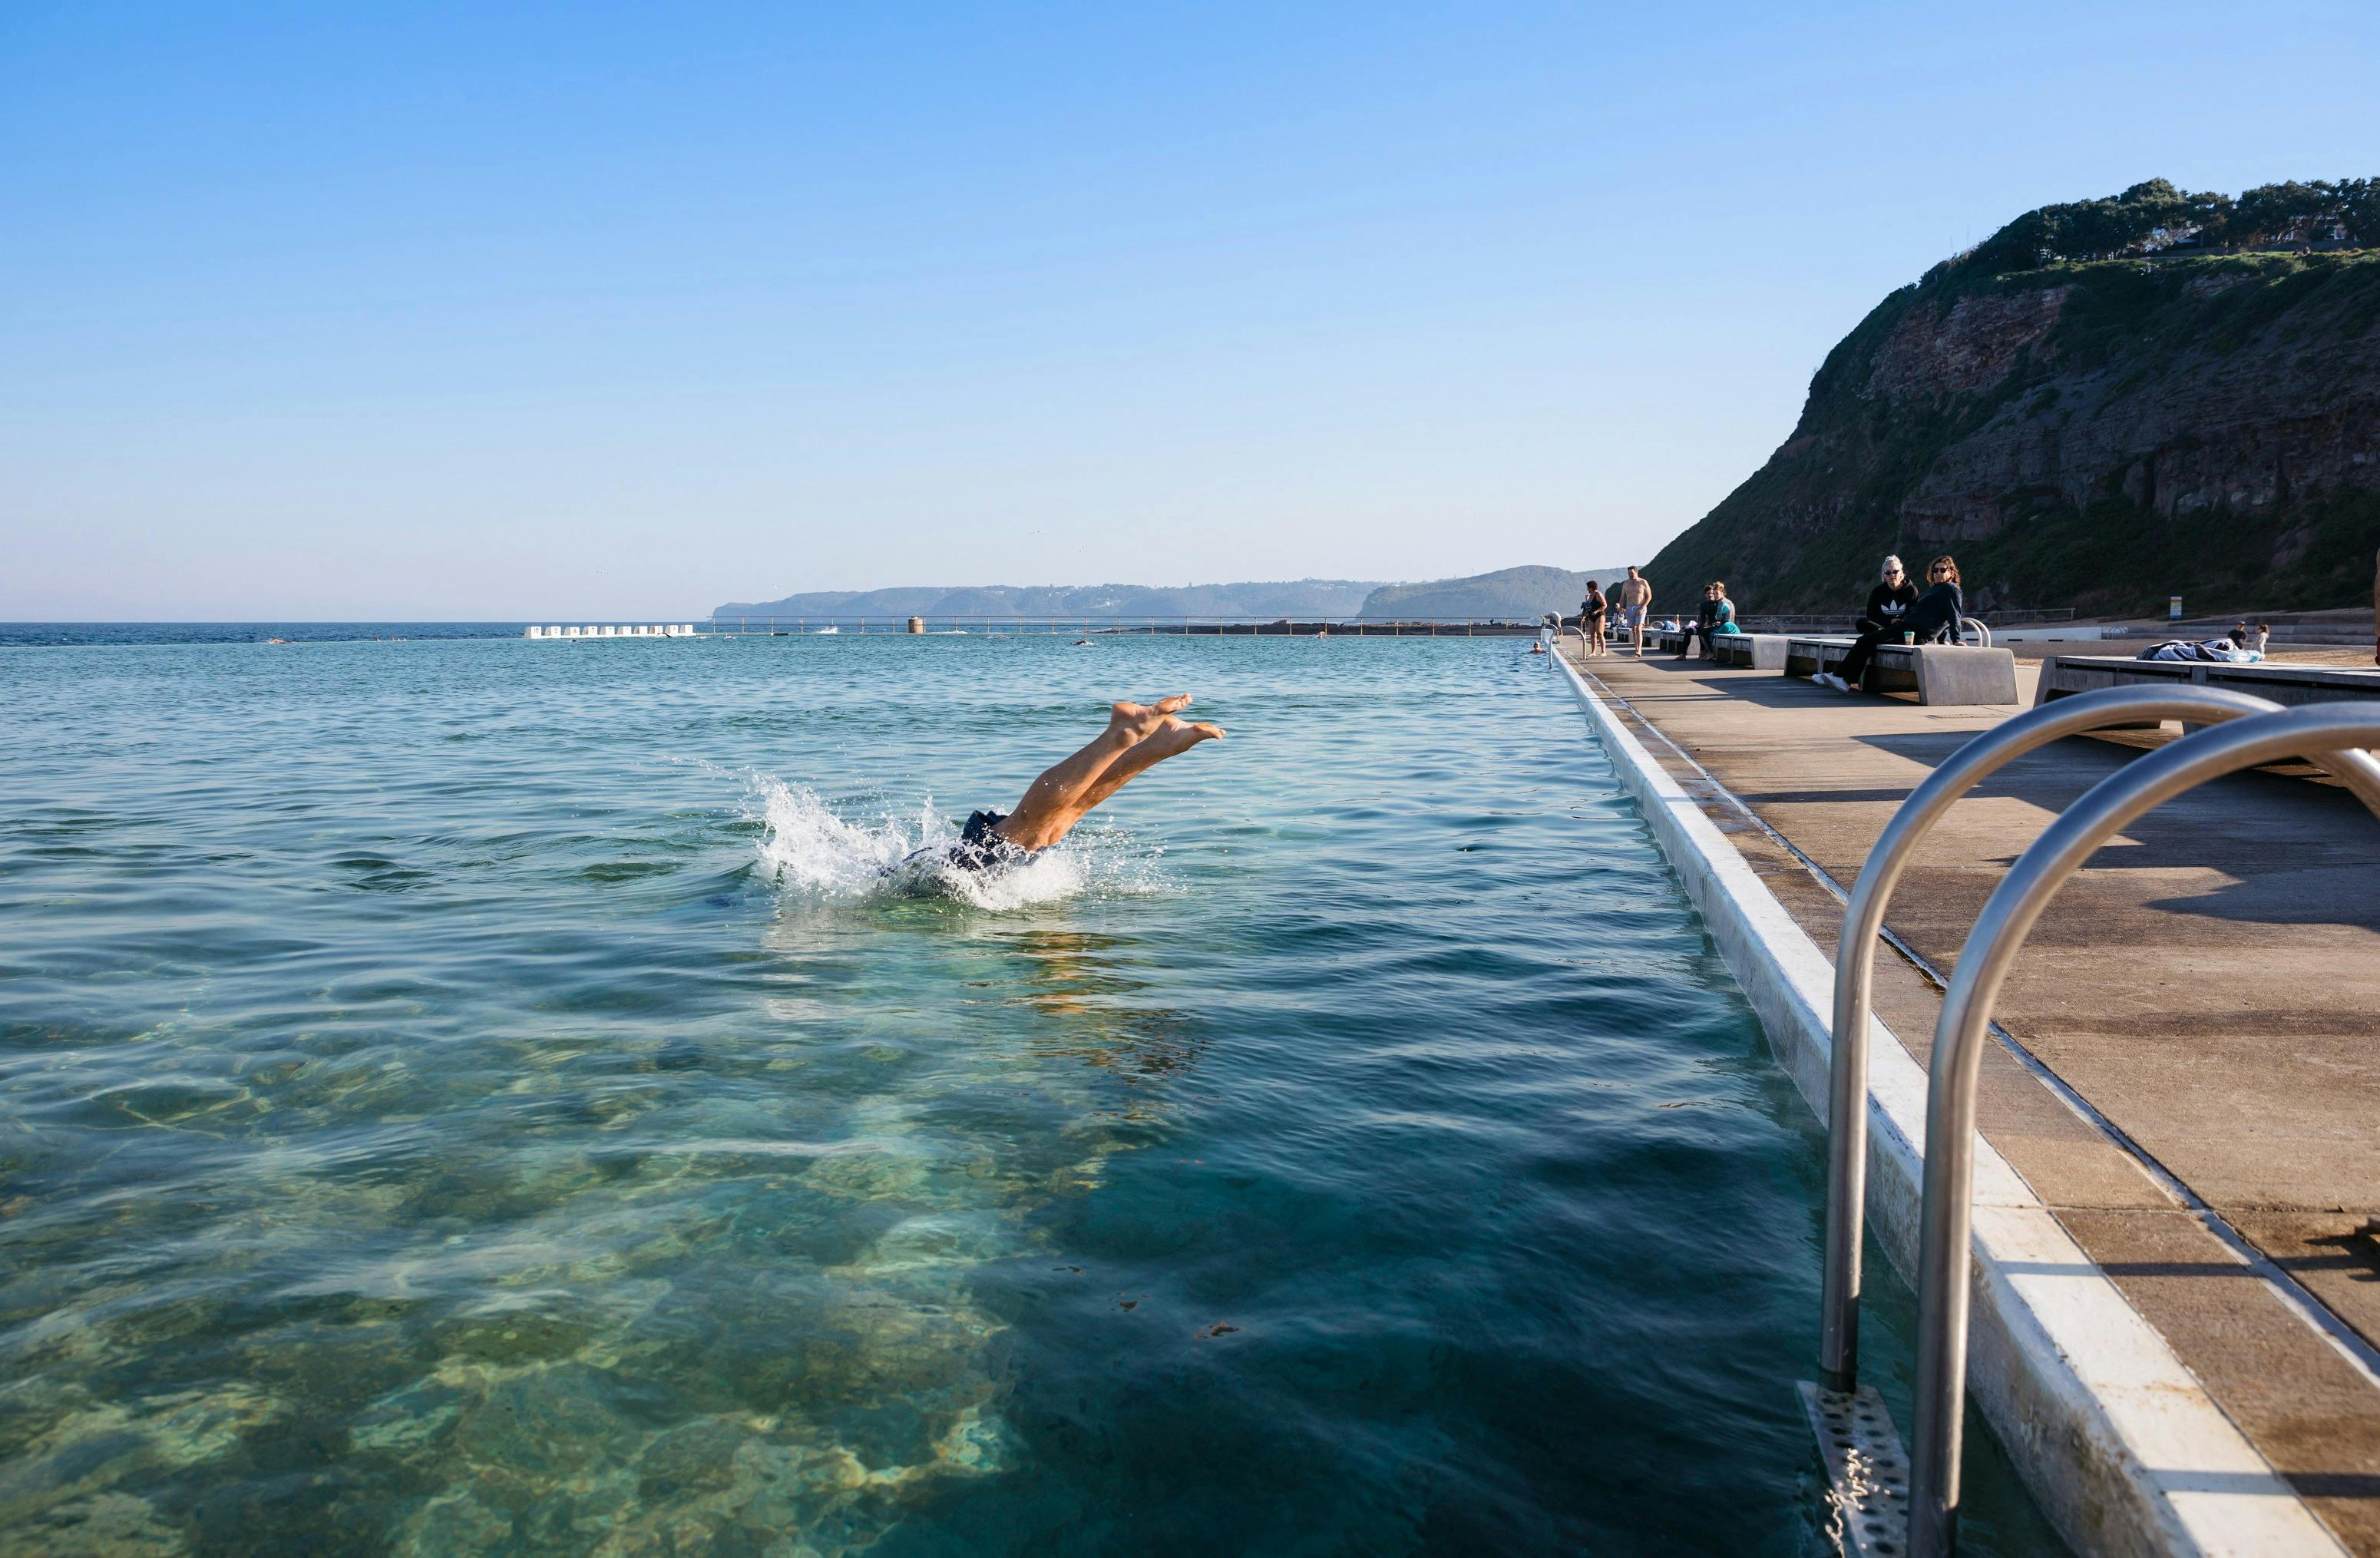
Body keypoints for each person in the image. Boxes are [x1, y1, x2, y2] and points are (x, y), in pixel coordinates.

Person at [942, 695, 1225, 872]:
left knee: (1026, 828)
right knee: (1057, 823)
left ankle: (1123, 733)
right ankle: (1159, 744)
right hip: (949, 875)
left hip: (944, 873)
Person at [1814, 556, 1965, 694]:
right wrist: (1940, 638)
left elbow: (1953, 614)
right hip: (1909, 628)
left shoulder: (1950, 589)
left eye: (1943, 570)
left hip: (1913, 631)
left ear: (1951, 572)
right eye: (1935, 570)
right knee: (1868, 639)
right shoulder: (1937, 589)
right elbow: (1939, 616)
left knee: (1866, 640)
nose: (1938, 573)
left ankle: (1842, 679)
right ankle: (1840, 677)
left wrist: (1956, 638)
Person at [1859, 556, 1920, 636]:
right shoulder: (1878, 591)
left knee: (1913, 629)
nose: (1892, 575)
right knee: (1861, 622)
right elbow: (1871, 615)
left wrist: (1899, 620)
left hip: (1902, 626)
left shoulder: (1911, 590)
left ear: (1901, 573)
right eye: (1888, 573)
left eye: (1895, 572)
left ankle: (1884, 635)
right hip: (1884, 626)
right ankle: (1884, 634)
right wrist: (1890, 621)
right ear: (1884, 575)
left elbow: (1914, 613)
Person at [1614, 566, 1653, 657]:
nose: (1630, 575)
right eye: (1629, 573)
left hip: (1640, 607)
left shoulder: (1643, 582)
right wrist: (1620, 608)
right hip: (1629, 607)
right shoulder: (1626, 583)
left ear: (1636, 572)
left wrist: (1643, 607)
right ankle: (1636, 649)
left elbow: (1649, 596)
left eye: (1632, 573)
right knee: (1634, 630)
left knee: (1639, 628)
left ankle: (1639, 650)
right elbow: (1622, 597)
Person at [1678, 583, 1719, 658]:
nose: (1710, 595)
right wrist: (1703, 625)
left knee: (1702, 632)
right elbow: (1702, 619)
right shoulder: (1703, 605)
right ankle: (1683, 654)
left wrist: (1710, 625)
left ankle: (1705, 651)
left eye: (1712, 593)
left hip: (1715, 626)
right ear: (1705, 595)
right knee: (1689, 631)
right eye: (1708, 593)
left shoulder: (1719, 603)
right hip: (1706, 625)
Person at [1579, 580, 1608, 657]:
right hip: (1591, 616)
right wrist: (1584, 616)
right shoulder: (1590, 596)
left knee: (1600, 633)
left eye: (1588, 588)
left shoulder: (1598, 594)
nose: (1587, 589)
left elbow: (1604, 605)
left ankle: (1603, 651)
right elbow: (1588, 608)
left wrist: (1597, 611)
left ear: (1592, 587)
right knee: (1592, 634)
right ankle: (1593, 652)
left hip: (1599, 615)